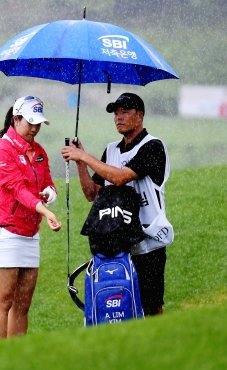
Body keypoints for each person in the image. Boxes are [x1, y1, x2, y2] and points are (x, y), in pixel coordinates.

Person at [61, 92, 172, 316]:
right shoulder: (111, 150)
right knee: (119, 307)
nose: (119, 117)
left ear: (140, 116)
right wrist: (80, 162)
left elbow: (121, 177)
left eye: (126, 112)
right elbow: (92, 193)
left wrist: (84, 156)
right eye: (116, 113)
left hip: (149, 242)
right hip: (118, 244)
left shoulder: (153, 147)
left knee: (151, 308)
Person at [0, 95, 62, 340]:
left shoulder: (38, 152)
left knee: (22, 304)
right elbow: (17, 191)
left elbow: (48, 183)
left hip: (29, 232)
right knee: (4, 301)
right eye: (30, 123)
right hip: (3, 230)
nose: (35, 129)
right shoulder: (1, 150)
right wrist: (46, 211)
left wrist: (50, 194)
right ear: (16, 119)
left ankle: (17, 360)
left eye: (38, 123)